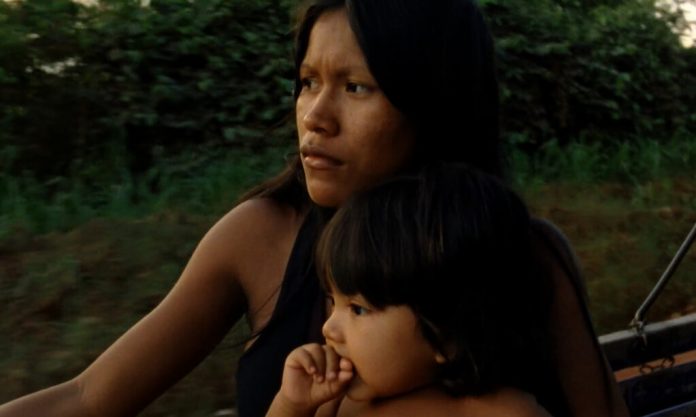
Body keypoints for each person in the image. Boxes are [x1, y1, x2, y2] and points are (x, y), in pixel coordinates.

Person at [0, 1, 628, 417]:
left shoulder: (524, 256)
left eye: (356, 87)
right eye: (307, 81)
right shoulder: (258, 236)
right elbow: (88, 397)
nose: (314, 116)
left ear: (433, 102)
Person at [266, 163, 562, 417]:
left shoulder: (505, 412)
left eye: (358, 309)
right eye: (333, 301)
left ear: (446, 335)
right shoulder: (334, 402)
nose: (329, 328)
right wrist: (291, 405)